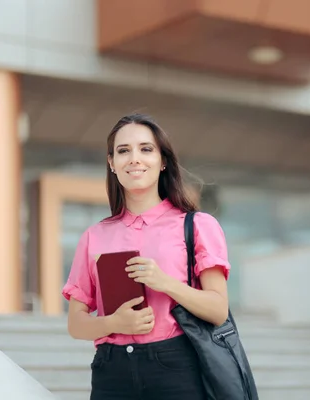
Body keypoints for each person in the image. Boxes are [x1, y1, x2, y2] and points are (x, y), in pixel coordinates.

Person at [62, 113, 231, 400]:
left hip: (176, 366)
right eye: (123, 151)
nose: (134, 158)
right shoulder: (94, 236)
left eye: (146, 149)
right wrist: (114, 323)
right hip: (111, 372)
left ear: (163, 161)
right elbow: (76, 324)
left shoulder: (197, 225)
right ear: (111, 163)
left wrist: (165, 282)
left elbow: (218, 310)